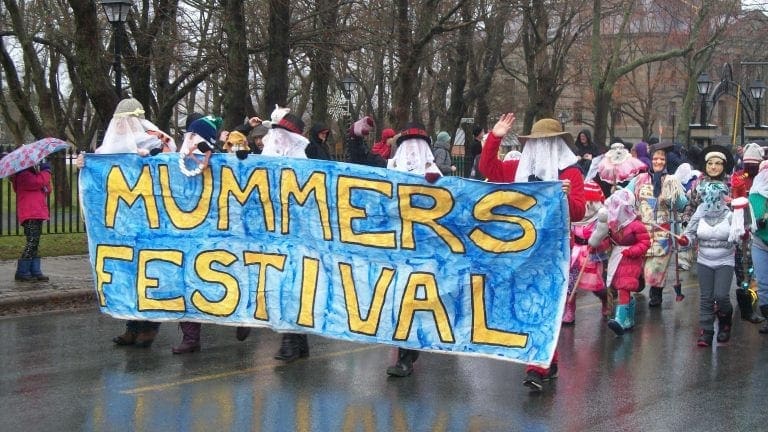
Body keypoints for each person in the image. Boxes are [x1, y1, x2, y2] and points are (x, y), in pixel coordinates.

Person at [478, 114, 585, 392]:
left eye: (547, 143)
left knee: (546, 305)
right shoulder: (516, 168)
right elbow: (487, 168)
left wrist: (566, 195)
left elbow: (578, 212)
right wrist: (495, 138)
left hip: (553, 252)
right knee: (527, 305)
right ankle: (547, 361)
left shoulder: (570, 173)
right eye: (537, 143)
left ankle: (537, 366)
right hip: (522, 251)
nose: (541, 149)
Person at [78, 97, 176, 348]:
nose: (122, 126)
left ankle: (150, 327)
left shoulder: (157, 139)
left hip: (151, 222)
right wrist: (85, 164)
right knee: (127, 274)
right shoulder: (111, 146)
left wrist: (149, 159)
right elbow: (99, 168)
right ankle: (131, 326)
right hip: (122, 225)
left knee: (150, 273)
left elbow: (172, 165)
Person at [384, 121, 442, 377]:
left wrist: (436, 187)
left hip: (423, 251)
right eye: (406, 145)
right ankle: (405, 352)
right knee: (398, 300)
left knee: (415, 300)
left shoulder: (436, 174)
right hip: (395, 247)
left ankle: (407, 354)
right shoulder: (388, 171)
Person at [677, 182, 745, 346]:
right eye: (707, 196)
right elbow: (690, 234)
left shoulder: (730, 214)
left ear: (723, 197)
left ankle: (725, 322)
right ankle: (706, 331)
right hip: (704, 260)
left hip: (725, 261)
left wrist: (742, 233)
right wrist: (685, 241)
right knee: (706, 297)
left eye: (715, 196)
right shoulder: (700, 212)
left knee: (721, 296)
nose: (711, 200)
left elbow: (739, 236)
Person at [625, 142, 687, 308]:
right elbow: (626, 196)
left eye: (662, 159)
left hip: (663, 233)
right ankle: (639, 282)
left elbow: (682, 205)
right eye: (655, 158)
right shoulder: (640, 179)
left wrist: (673, 195)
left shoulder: (671, 180)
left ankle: (656, 294)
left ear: (666, 161)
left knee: (656, 269)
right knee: (639, 268)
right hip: (641, 233)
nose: (658, 162)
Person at [589, 188, 650, 336]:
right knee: (622, 288)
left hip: (631, 260)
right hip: (617, 258)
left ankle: (620, 319)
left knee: (624, 287)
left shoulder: (636, 225)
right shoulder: (614, 226)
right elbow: (608, 242)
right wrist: (597, 246)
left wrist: (631, 251)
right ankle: (628, 318)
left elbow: (645, 242)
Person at [565, 180, 611, 325]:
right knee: (569, 283)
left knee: (595, 286)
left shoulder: (599, 217)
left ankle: (605, 299)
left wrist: (596, 240)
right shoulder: (574, 215)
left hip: (592, 254)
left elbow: (604, 235)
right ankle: (569, 310)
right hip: (575, 252)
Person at [730, 142, 765, 323]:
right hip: (741, 229)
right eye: (748, 164)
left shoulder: (763, 178)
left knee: (755, 270)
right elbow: (735, 191)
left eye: (754, 164)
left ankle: (754, 299)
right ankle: (746, 307)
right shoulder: (740, 177)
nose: (750, 168)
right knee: (742, 268)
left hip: (758, 232)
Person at [11, 161, 52, 282]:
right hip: (30, 213)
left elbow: (47, 189)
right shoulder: (23, 175)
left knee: (35, 242)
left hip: (37, 212)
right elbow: (37, 182)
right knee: (32, 241)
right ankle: (22, 271)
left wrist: (44, 177)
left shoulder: (33, 175)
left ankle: (35, 270)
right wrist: (46, 172)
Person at [749, 168, 768, 333]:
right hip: (760, 243)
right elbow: (748, 219)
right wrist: (754, 223)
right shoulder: (755, 193)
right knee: (762, 282)